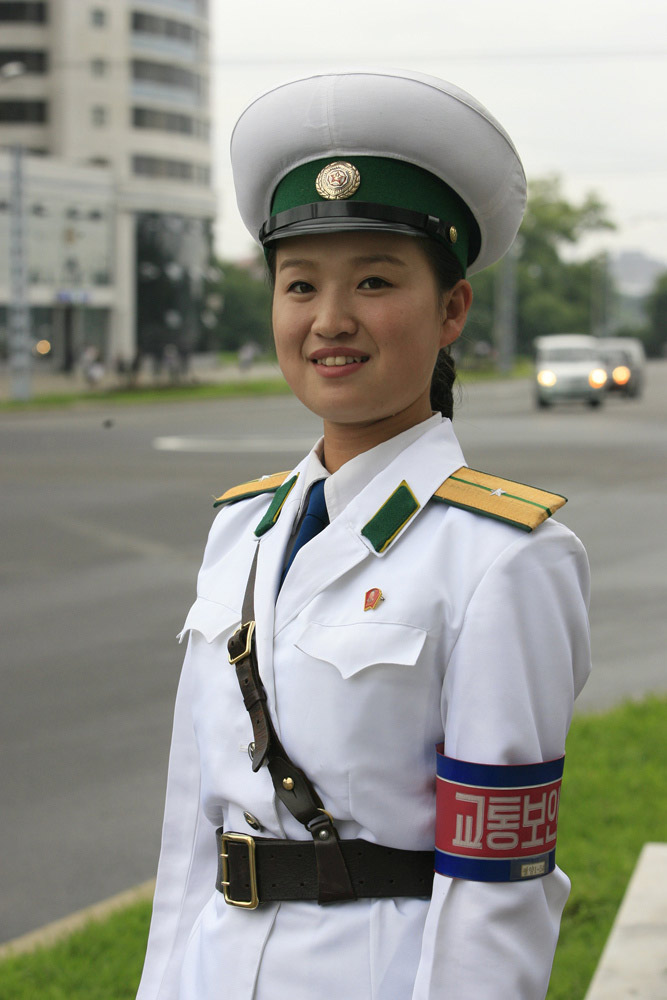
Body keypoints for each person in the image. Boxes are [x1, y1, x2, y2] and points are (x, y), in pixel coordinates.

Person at [136, 70, 591, 1000]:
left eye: (374, 282)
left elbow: (496, 888)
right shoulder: (241, 530)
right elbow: (193, 831)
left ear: (451, 310)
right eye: (299, 284)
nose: (328, 321)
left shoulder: (503, 557)